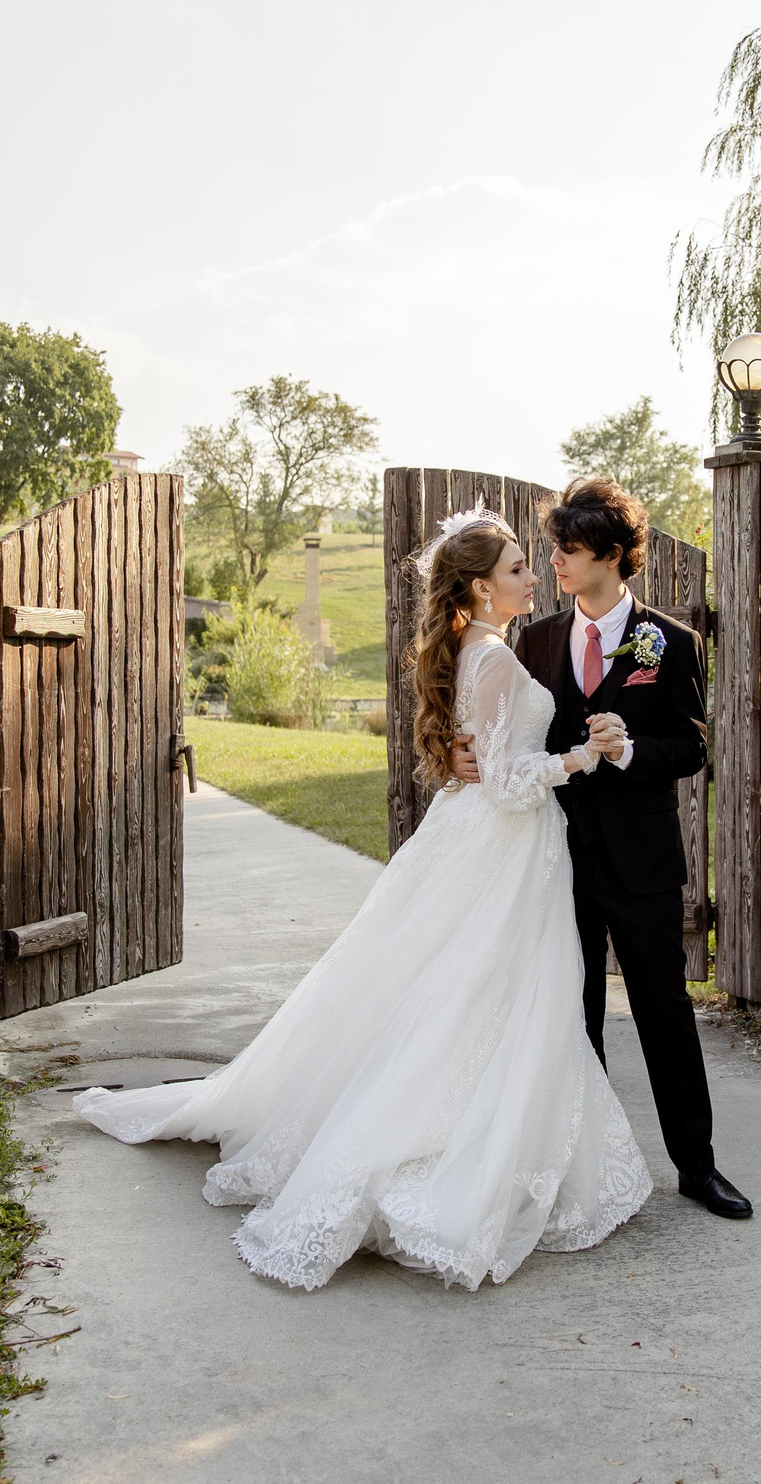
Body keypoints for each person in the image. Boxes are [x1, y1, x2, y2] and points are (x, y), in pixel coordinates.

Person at [78, 508, 651, 1290]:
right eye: (518, 566)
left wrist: (501, 755)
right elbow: (511, 784)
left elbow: (482, 759)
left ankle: (494, 1137)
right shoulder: (488, 657)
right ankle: (439, 1154)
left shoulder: (487, 648)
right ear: (483, 588)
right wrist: (584, 755)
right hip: (503, 845)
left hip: (502, 848)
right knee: (481, 993)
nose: (531, 575)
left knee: (488, 992)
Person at [457, 477, 751, 1222]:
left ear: (613, 557)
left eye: (569, 547)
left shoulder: (670, 641)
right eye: (550, 547)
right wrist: (469, 758)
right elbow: (514, 739)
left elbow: (689, 747)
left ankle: (698, 1166)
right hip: (556, 857)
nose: (553, 558)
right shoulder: (538, 636)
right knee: (572, 1015)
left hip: (643, 863)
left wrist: (625, 753)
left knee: (664, 1014)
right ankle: (575, 1169)